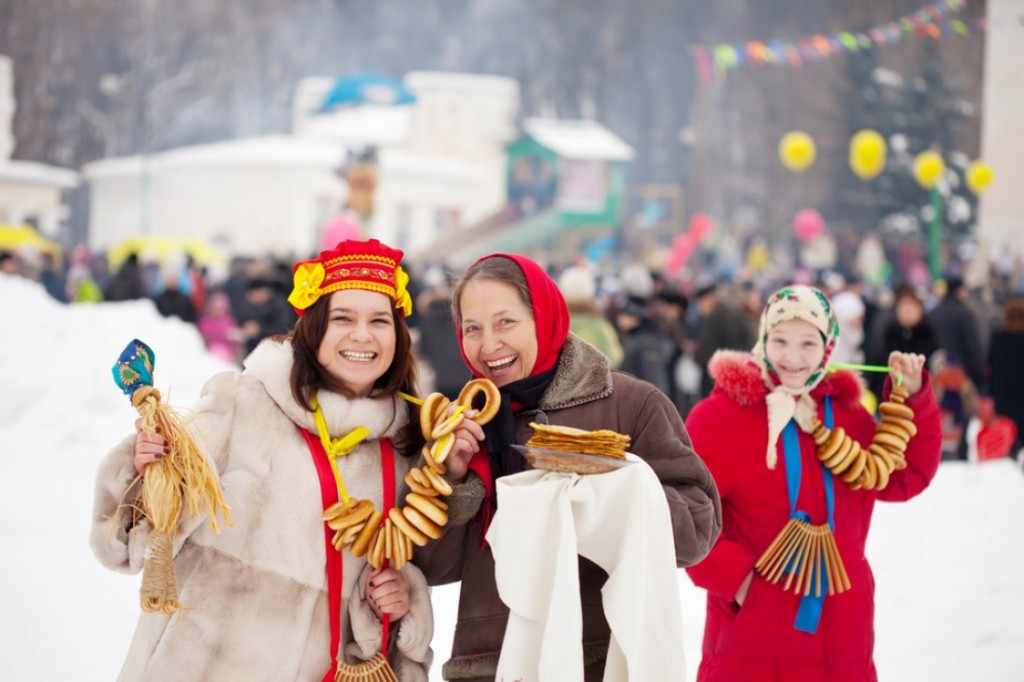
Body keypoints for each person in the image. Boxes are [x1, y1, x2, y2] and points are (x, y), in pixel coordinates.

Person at [91, 239, 436, 681]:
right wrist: (148, 471)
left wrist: (396, 597)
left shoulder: (404, 446)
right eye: (343, 318)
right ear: (314, 328)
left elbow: (392, 577)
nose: (363, 336)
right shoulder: (243, 405)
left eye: (379, 321)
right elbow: (134, 545)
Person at [415, 253, 722, 681]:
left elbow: (699, 528)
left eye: (506, 322)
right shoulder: (463, 422)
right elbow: (432, 565)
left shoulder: (631, 405)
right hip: (490, 664)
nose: (488, 346)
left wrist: (611, 496)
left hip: (598, 662)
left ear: (544, 316)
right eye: (472, 329)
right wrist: (453, 480)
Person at [684, 285, 943, 681]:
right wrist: (739, 582)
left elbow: (905, 475)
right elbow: (685, 512)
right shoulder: (720, 417)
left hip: (842, 633)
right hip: (751, 641)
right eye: (781, 340)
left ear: (827, 349)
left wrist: (913, 398)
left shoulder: (849, 416)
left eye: (808, 343)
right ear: (763, 339)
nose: (792, 357)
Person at [985, 297, 1024, 458]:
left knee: (1006, 435)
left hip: (1003, 396)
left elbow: (989, 366)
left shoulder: (998, 337)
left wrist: (990, 392)